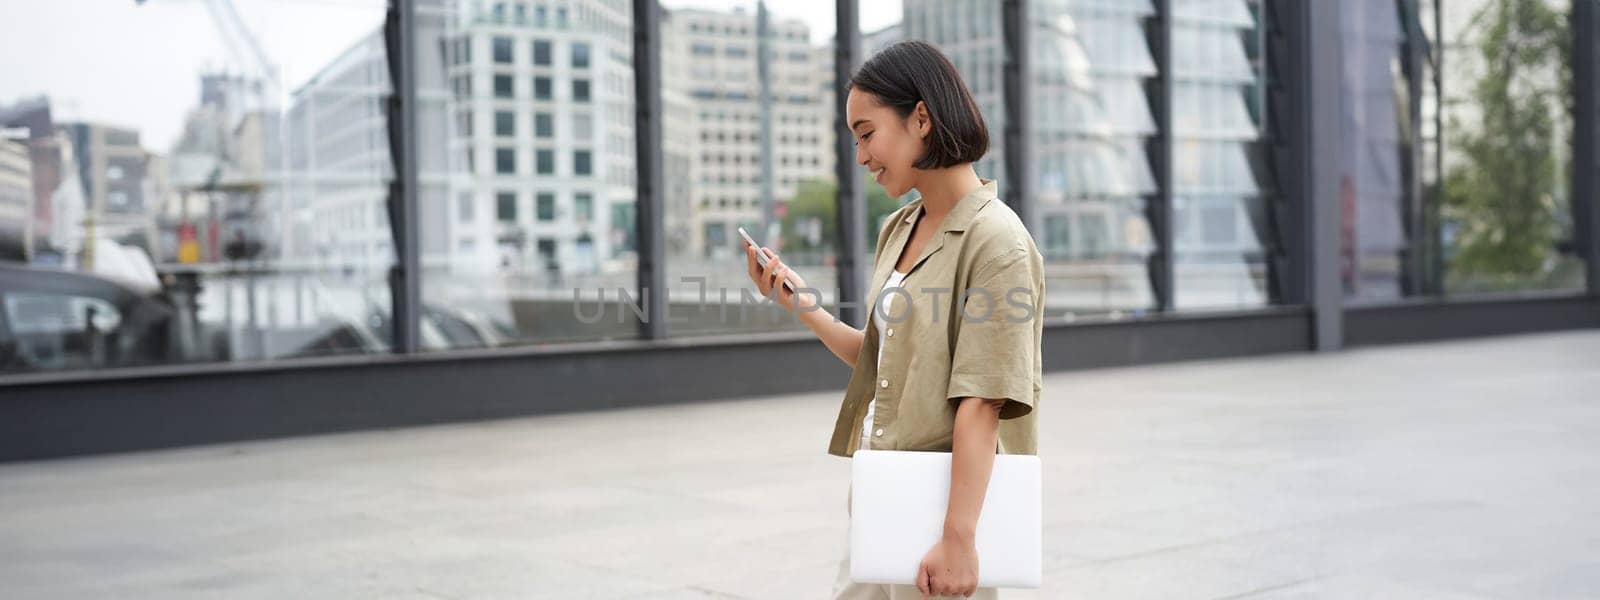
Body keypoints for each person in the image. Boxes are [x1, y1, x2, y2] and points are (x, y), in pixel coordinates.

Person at [742, 40, 1044, 600]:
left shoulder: (997, 242)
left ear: (921, 118)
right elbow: (884, 359)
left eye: (865, 132)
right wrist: (803, 306)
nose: (860, 155)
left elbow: (984, 399)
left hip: (945, 506)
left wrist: (958, 538)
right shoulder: (899, 228)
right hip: (883, 486)